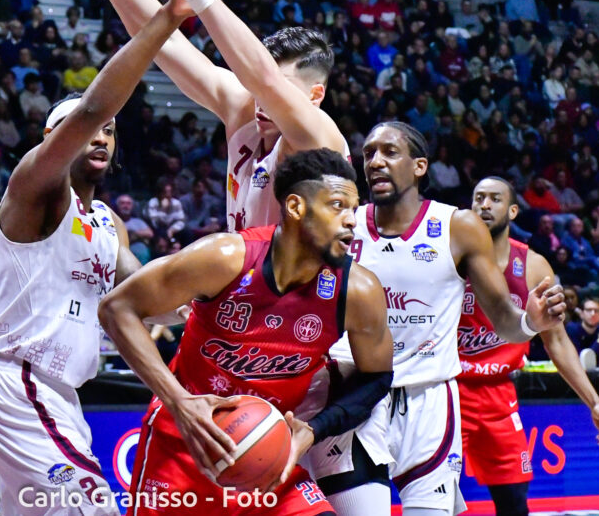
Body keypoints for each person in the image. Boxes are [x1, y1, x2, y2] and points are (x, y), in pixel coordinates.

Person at [0, 0, 205, 515]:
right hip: (15, 382)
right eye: (88, 128)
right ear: (55, 138)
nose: (101, 134)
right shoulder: (35, 188)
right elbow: (96, 102)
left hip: (60, 394)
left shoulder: (106, 223)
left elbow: (146, 296)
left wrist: (203, 308)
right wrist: (167, 17)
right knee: (93, 508)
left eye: (111, 131)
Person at [58, 0, 348, 235]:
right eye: (256, 90)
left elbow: (263, 79)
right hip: (245, 287)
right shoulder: (244, 109)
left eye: (279, 87)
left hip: (307, 292)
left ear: (315, 95)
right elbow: (161, 42)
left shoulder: (321, 137)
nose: (260, 100)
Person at [100, 148, 391, 515]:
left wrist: (314, 429)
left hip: (268, 456)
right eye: (337, 206)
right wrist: (178, 401)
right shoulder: (225, 257)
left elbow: (377, 377)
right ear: (296, 207)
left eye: (354, 208)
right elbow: (116, 309)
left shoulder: (358, 290)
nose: (352, 220)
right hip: (184, 445)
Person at [304, 122, 565, 516]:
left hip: (429, 400)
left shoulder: (457, 226)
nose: (375, 161)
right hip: (353, 394)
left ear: (420, 166)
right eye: (369, 153)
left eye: (389, 152)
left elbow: (505, 323)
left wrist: (531, 322)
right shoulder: (345, 223)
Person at [459, 177, 599, 516]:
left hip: (500, 395)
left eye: (494, 199)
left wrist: (595, 403)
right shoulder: (446, 257)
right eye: (478, 198)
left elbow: (558, 341)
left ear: (513, 210)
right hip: (449, 392)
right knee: (435, 493)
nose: (484, 205)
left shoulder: (533, 265)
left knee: (515, 500)